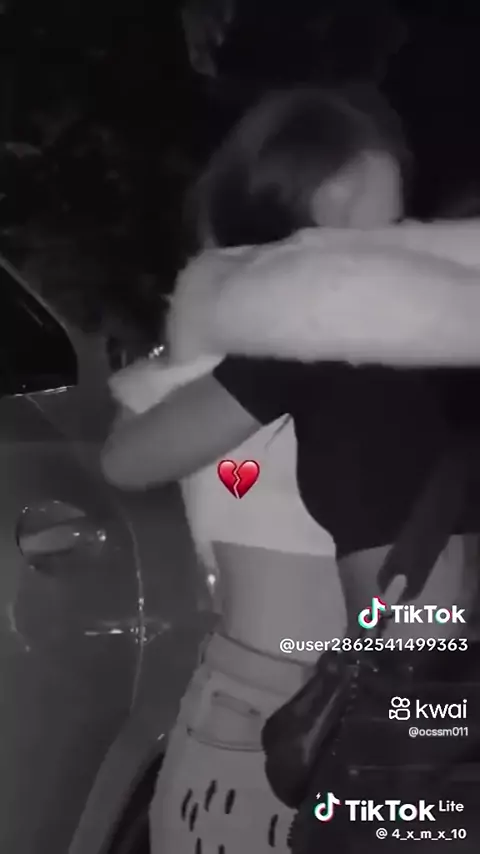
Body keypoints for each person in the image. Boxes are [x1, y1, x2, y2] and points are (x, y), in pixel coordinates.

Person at [102, 84, 416, 853]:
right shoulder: (248, 364)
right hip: (269, 718)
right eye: (344, 237)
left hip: (367, 709)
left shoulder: (393, 362)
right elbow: (126, 458)